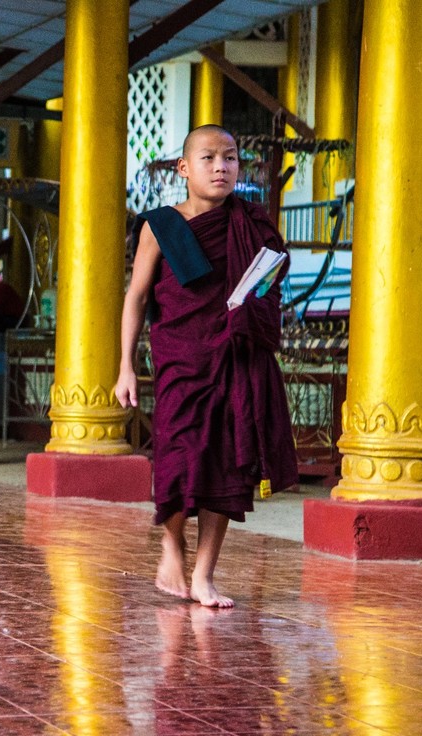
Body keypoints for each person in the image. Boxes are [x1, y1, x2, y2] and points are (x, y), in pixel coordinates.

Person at [113, 125, 297, 608]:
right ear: (184, 168)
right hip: (182, 358)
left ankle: (204, 574)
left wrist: (255, 300)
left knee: (228, 460)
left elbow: (269, 288)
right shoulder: (161, 225)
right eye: (209, 157)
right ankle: (171, 545)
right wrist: (125, 367)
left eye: (231, 158)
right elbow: (136, 298)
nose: (221, 167)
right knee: (177, 453)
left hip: (236, 356)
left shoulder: (254, 224)